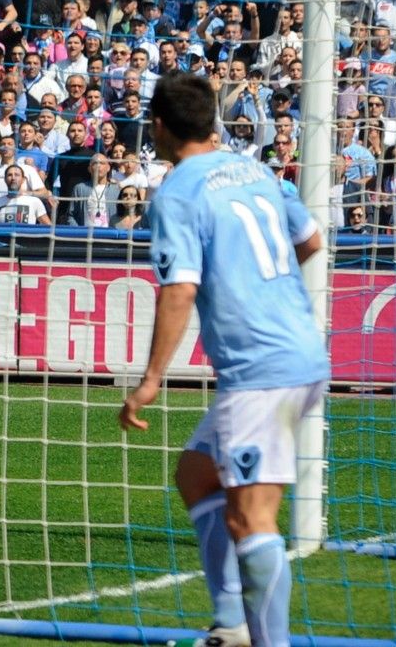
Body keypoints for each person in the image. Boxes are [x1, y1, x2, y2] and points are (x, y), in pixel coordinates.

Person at [120, 72, 328, 647]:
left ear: (158, 127)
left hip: (260, 369)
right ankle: (232, 623)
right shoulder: (257, 170)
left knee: (250, 518)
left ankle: (267, 642)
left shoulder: (179, 192)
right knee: (196, 473)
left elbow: (179, 288)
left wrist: (151, 378)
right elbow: (310, 240)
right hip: (300, 352)